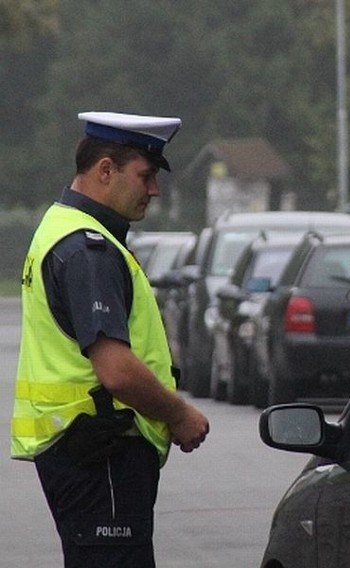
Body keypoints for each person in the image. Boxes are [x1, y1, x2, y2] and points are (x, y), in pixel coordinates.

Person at [10, 111, 209, 567]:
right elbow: (116, 371)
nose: (153, 190)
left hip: (86, 452)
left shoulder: (61, 228)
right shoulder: (87, 249)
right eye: (145, 176)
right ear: (105, 169)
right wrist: (179, 414)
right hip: (103, 451)